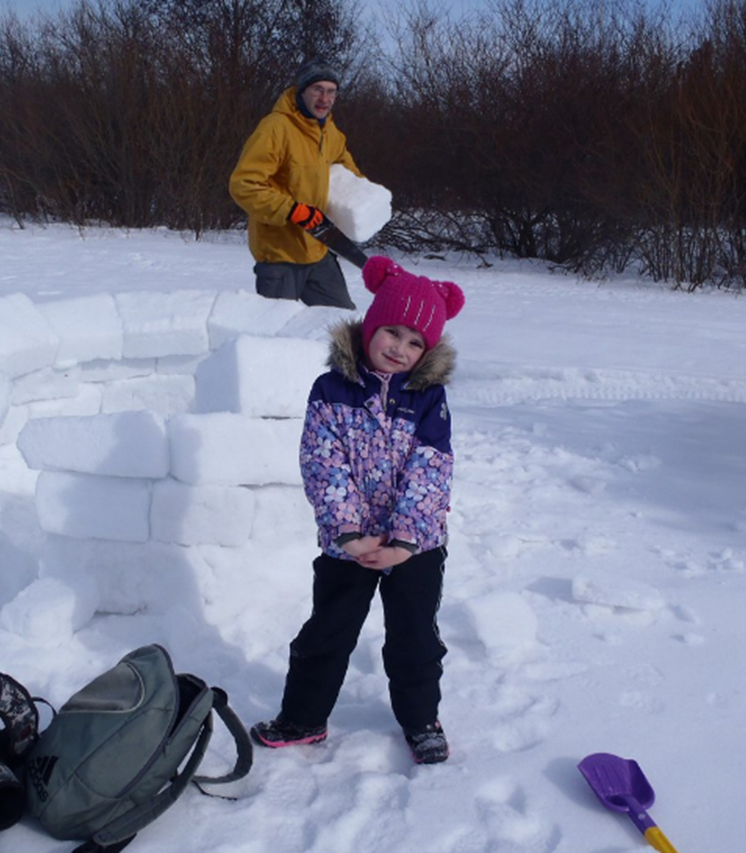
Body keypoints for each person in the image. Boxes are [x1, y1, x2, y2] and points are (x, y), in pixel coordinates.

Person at [250, 255, 466, 765]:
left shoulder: (428, 399)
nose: (401, 348)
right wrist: (347, 532)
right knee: (328, 630)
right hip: (348, 543)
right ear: (370, 326)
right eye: (392, 331)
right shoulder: (332, 390)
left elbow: (431, 471)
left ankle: (420, 720)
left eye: (417, 342)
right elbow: (322, 464)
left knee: (414, 637)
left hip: (415, 548)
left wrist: (405, 543)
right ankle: (303, 717)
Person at [229, 58, 362, 309]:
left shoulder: (331, 134)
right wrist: (291, 210)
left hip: (318, 250)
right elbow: (243, 184)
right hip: (279, 256)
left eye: (331, 91)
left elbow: (351, 177)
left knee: (342, 325)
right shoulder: (276, 128)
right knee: (277, 335)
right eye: (317, 89)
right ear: (301, 91)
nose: (325, 99)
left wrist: (369, 203)